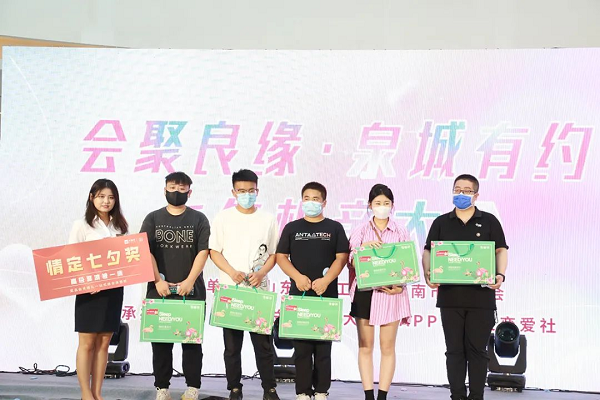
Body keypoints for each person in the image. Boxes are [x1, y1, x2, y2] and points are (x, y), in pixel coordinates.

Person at [422, 174, 508, 400]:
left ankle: (476, 396)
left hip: (481, 298)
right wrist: (428, 273)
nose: (461, 194)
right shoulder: (441, 222)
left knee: (478, 351)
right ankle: (457, 395)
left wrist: (500, 274)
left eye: (467, 191)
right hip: (450, 298)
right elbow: (428, 250)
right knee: (454, 351)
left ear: (476, 195)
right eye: (457, 189)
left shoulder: (489, 221)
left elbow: (501, 250)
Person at [209, 169, 280, 400]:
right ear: (233, 192)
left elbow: (274, 254)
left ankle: (269, 389)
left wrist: (261, 273)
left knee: (263, 345)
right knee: (232, 347)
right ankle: (234, 388)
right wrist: (232, 272)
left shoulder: (268, 219)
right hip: (231, 290)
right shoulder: (223, 218)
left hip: (258, 291)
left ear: (257, 191)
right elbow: (214, 251)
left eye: (251, 191)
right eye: (241, 191)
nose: (246, 195)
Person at [276, 182, 349, 400]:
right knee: (302, 349)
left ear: (324, 202)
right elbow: (281, 256)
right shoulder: (292, 228)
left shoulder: (334, 228)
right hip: (299, 294)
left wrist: (326, 280)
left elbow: (341, 257)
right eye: (306, 198)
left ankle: (321, 391)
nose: (311, 203)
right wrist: (297, 277)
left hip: (326, 294)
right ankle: (303, 391)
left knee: (323, 348)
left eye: (315, 199)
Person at [140, 172, 211, 400]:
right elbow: (145, 251)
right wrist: (157, 280)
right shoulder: (152, 218)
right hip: (159, 290)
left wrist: (189, 281)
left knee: (191, 342)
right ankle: (162, 387)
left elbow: (203, 252)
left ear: (189, 192)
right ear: (164, 190)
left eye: (182, 189)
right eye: (172, 187)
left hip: (192, 290)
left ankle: (193, 387)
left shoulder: (199, 219)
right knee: (161, 342)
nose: (177, 192)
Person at [347, 184, 412, 400]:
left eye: (386, 203)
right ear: (370, 205)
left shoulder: (400, 231)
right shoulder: (361, 230)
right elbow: (350, 260)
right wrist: (365, 248)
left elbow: (407, 263)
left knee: (388, 347)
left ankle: (382, 395)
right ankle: (368, 394)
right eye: (377, 203)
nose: (382, 207)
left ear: (392, 205)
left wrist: (400, 286)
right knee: (365, 346)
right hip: (365, 292)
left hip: (391, 294)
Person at [68, 178, 129, 400]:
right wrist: (87, 281)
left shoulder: (120, 226)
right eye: (101, 196)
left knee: (104, 343)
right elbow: (71, 259)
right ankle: (86, 393)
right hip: (89, 291)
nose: (106, 201)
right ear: (91, 197)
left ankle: (97, 393)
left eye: (111, 197)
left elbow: (126, 258)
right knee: (87, 343)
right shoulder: (82, 225)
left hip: (113, 290)